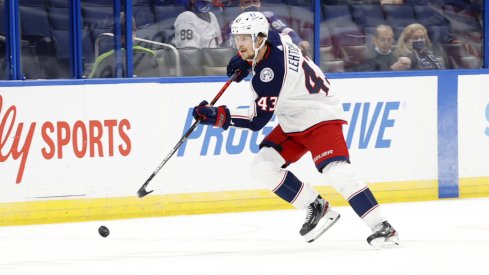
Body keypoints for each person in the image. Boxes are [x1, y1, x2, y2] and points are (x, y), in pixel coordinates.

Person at [192, 12, 400, 247]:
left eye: (245, 38)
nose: (239, 43)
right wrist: (248, 61)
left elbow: (256, 120)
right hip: (294, 118)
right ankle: (316, 206)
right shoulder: (272, 38)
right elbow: (285, 35)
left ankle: (383, 227)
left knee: (336, 171)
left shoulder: (270, 75)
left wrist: (217, 116)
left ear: (259, 39)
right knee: (262, 167)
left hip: (320, 115)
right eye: (237, 38)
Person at [225, 0, 310, 56]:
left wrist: (299, 42)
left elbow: (286, 30)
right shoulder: (234, 23)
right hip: (247, 61)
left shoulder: (269, 16)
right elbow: (232, 46)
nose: (252, 5)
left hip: (270, 57)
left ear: (260, 3)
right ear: (241, 6)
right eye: (247, 2)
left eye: (255, 1)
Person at [89, 13, 160, 78]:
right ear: (134, 31)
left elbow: (90, 85)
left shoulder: (102, 59)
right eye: (123, 32)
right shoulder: (149, 55)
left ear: (114, 33)